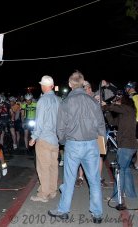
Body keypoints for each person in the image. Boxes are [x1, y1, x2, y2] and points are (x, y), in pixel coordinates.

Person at [48, 71, 106, 224]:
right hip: (91, 144)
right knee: (94, 180)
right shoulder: (93, 102)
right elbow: (101, 125)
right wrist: (101, 143)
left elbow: (60, 127)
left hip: (73, 144)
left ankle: (63, 210)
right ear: (83, 83)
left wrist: (63, 142)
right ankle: (97, 213)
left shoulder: (66, 102)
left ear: (70, 84)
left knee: (69, 179)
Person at [29, 75, 61, 203]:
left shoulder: (42, 101)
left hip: (44, 139)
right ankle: (52, 191)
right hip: (55, 139)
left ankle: (43, 194)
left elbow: (40, 122)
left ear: (43, 86)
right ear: (52, 86)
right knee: (53, 166)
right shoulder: (59, 100)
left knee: (43, 168)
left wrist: (33, 137)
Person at [102, 95, 138, 205]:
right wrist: (106, 112)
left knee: (120, 171)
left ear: (124, 102)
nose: (117, 102)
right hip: (128, 145)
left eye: (119, 100)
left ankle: (117, 197)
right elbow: (112, 122)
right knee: (125, 169)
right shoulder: (125, 114)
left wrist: (105, 106)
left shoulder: (128, 109)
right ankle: (131, 194)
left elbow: (114, 107)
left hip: (126, 145)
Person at [124, 81, 138, 170]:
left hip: (135, 122)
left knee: (133, 144)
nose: (125, 90)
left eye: (126, 88)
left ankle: (135, 164)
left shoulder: (131, 97)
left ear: (130, 88)